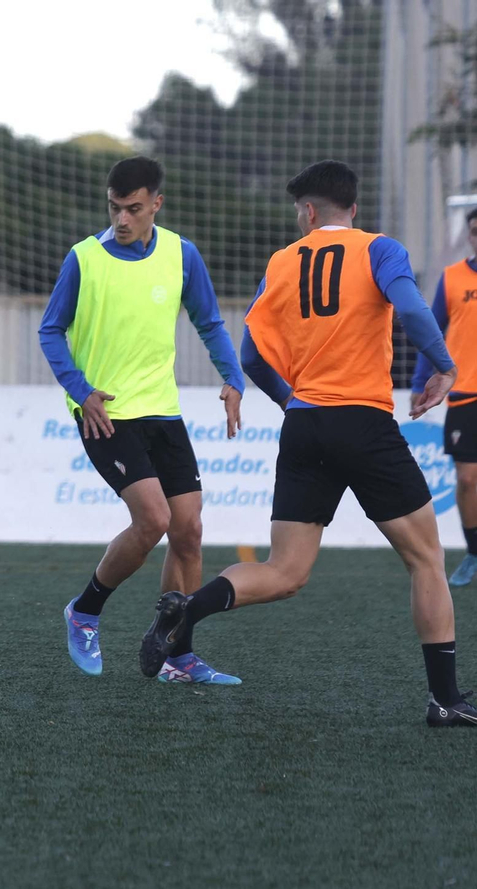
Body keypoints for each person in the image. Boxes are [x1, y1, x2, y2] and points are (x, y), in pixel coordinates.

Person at [140, 159, 477, 727]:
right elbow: (414, 310)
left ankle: (187, 608)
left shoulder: (281, 261)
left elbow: (249, 355)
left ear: (309, 210)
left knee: (284, 570)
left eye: (299, 211)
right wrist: (442, 366)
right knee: (427, 559)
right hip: (364, 424)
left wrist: (289, 400)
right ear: (353, 209)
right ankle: (444, 700)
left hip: (304, 425)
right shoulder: (380, 249)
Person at [39, 156, 245, 684]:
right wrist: (81, 391)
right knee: (153, 519)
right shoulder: (84, 258)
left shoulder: (182, 254)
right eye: (114, 207)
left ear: (157, 203)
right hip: (104, 413)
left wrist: (232, 378)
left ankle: (179, 656)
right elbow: (50, 331)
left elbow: (209, 321)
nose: (122, 218)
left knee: (190, 531)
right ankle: (85, 610)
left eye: (133, 208)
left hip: (162, 410)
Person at [412, 207, 477, 586]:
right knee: (468, 481)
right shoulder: (452, 279)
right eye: (474, 229)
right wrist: (423, 381)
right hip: (465, 393)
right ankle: (472, 554)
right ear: (468, 235)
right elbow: (431, 332)